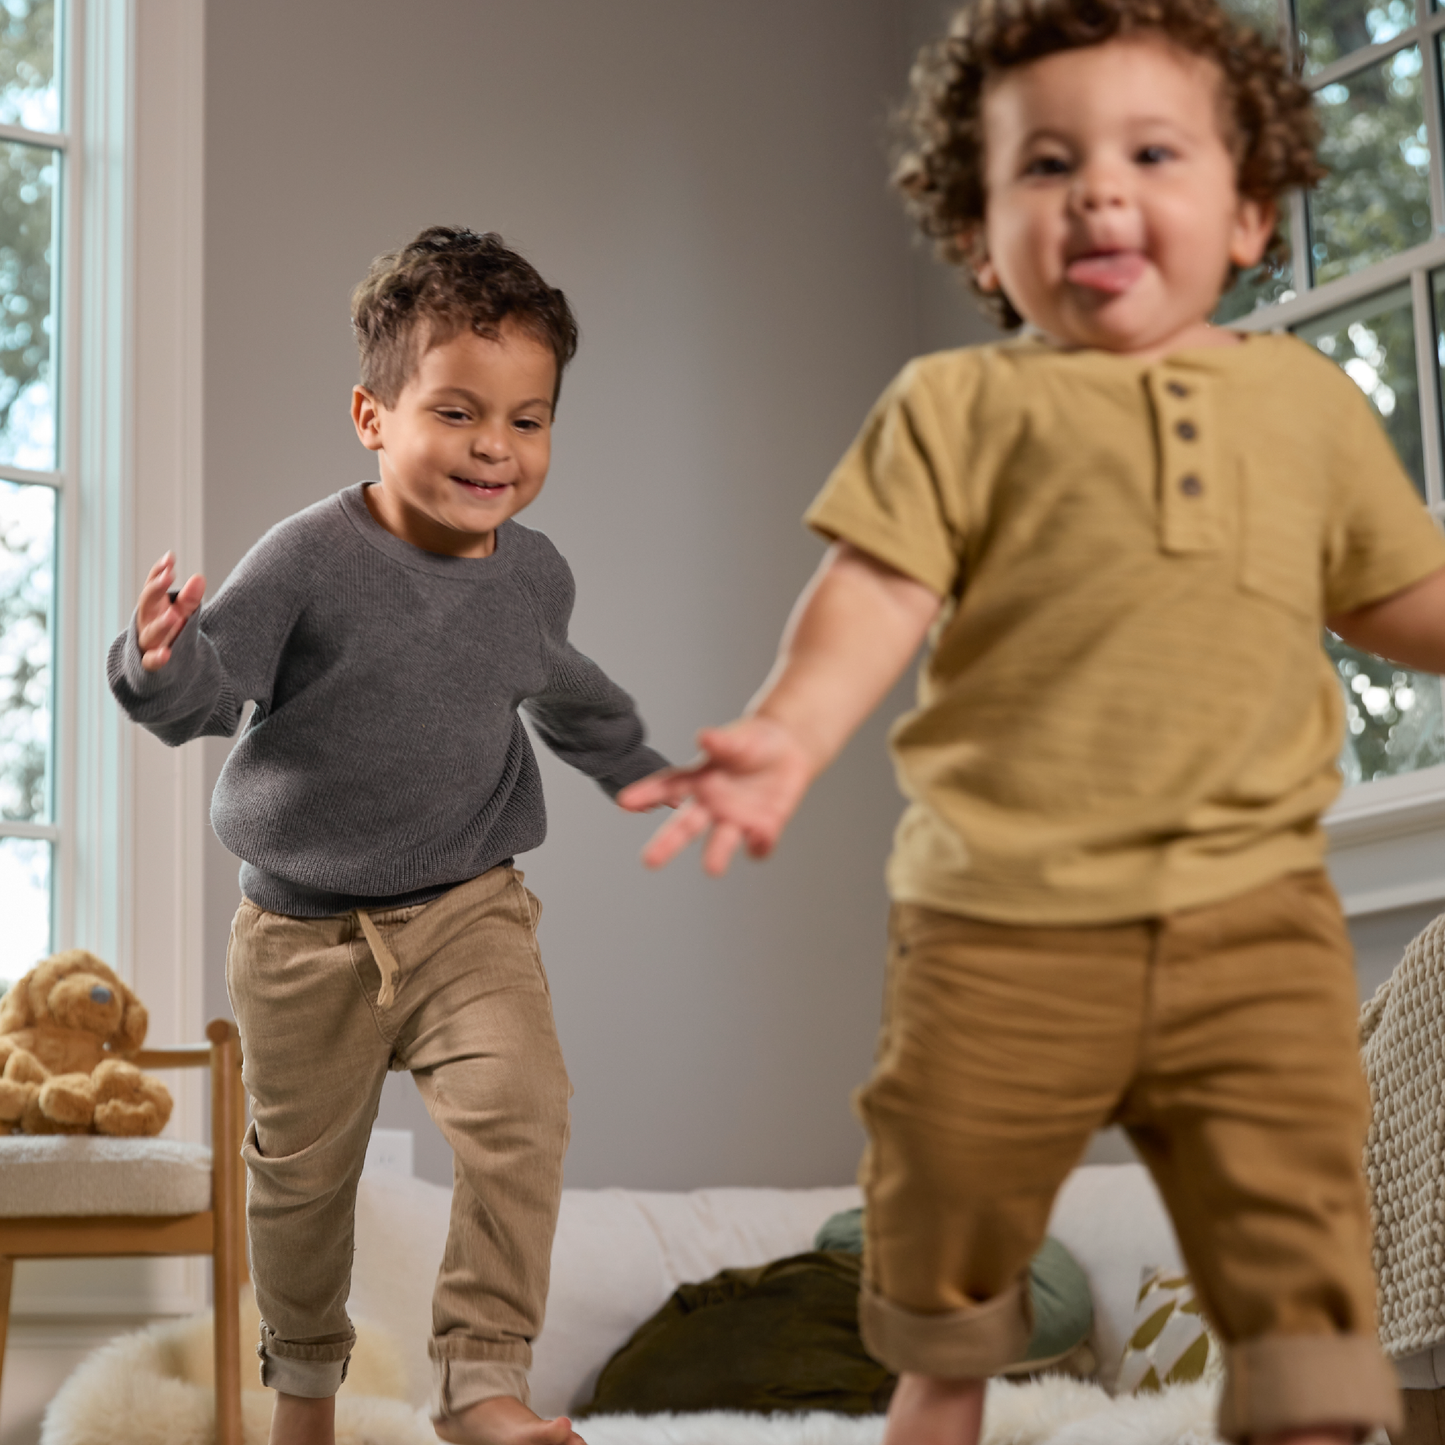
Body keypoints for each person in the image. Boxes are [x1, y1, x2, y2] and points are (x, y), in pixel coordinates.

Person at [618, 1, 1445, 1440]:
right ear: (977, 232)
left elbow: (1399, 594)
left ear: (1251, 209)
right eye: (1047, 165)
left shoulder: (1305, 406)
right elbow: (874, 590)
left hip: (1250, 915)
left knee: (1297, 1228)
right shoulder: (956, 405)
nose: (1100, 191)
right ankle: (941, 1392)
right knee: (944, 1196)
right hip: (1000, 920)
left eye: (1151, 153)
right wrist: (790, 730)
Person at [108, 226, 665, 1445]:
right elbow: (212, 688)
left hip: (469, 903)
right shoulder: (309, 555)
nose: (493, 447)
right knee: (302, 1183)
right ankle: (304, 1392)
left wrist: (644, 771)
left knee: (525, 1107)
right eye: (458, 410)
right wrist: (157, 660)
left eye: (528, 420)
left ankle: (481, 1383)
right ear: (372, 412)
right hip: (302, 930)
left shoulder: (534, 576)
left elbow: (567, 691)